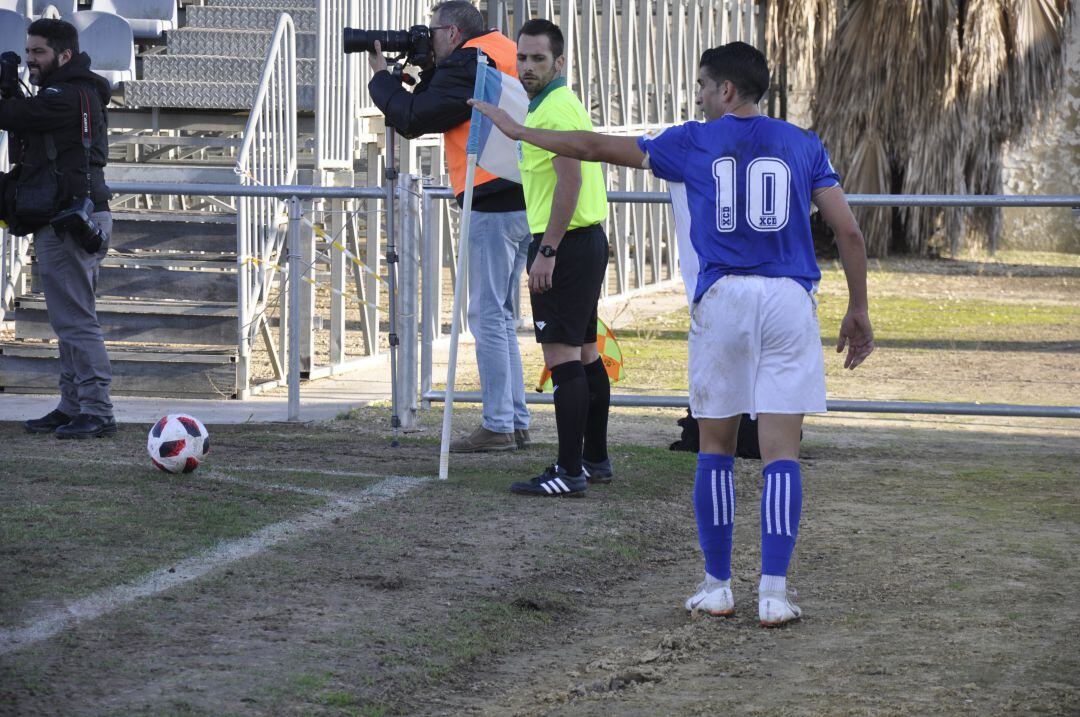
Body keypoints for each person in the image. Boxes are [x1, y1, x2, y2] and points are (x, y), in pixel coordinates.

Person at [470, 41, 874, 623]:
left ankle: (716, 585)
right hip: (790, 300)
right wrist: (858, 307)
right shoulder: (804, 143)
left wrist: (518, 130)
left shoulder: (692, 140)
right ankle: (775, 594)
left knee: (714, 445)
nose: (700, 97)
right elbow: (851, 234)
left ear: (726, 91)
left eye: (704, 87)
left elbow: (589, 147)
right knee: (782, 453)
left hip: (725, 298)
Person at [367, 0, 531, 453]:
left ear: (454, 33)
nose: (427, 37)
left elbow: (415, 118)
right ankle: (515, 419)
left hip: (491, 198)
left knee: (486, 316)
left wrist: (382, 79)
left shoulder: (469, 64)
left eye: (432, 31)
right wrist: (426, 70)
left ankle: (499, 424)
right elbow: (445, 102)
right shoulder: (500, 50)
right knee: (501, 315)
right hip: (522, 195)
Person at [505, 19, 613, 497]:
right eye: (522, 58)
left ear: (560, 62)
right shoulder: (550, 104)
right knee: (587, 354)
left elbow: (569, 182)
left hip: (565, 246)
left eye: (537, 59)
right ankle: (594, 460)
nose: (527, 67)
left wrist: (547, 250)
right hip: (579, 243)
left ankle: (570, 472)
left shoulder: (554, 111)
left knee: (563, 359)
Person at [1, 19, 116, 439]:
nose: (30, 59)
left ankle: (97, 410)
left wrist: (7, 87)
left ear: (64, 55)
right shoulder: (72, 91)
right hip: (71, 219)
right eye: (28, 51)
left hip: (72, 222)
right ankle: (73, 405)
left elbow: (12, 114)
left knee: (77, 322)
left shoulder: (66, 96)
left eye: (39, 53)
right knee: (68, 321)